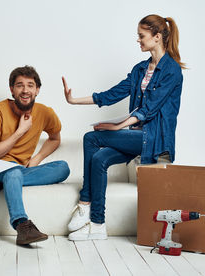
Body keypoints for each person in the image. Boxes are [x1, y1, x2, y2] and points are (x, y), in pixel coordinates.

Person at [62, 14, 185, 241]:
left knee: (91, 138)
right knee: (99, 160)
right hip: (136, 135)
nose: (138, 40)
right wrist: (73, 100)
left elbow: (148, 109)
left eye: (141, 36)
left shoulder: (172, 71)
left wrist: (117, 126)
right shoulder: (140, 69)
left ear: (157, 37)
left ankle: (85, 201)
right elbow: (111, 95)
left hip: (155, 139)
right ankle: (98, 225)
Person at [0, 65, 70, 245]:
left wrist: (36, 159)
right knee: (14, 172)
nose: (25, 90)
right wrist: (20, 131)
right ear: (12, 89)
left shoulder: (45, 113)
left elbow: (55, 138)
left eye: (30, 85)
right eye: (19, 85)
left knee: (63, 168)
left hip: (16, 170)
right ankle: (22, 226)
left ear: (37, 90)